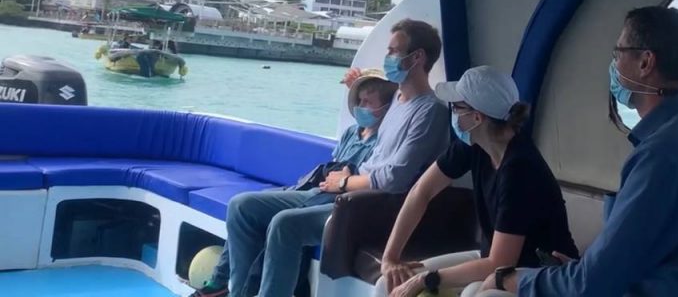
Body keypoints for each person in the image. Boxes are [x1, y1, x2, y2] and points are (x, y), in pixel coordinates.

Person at [483, 7, 678, 297]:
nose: (614, 64)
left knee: (486, 292)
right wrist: (577, 271)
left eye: (618, 53)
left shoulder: (666, 154)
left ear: (645, 62)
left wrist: (515, 280)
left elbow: (592, 285)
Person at [224, 19, 451, 297]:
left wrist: (345, 183)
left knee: (286, 225)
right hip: (344, 194)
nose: (388, 58)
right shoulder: (397, 100)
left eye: (393, 52)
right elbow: (371, 109)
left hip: (374, 206)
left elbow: (394, 177)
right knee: (242, 206)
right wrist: (355, 86)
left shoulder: (431, 112)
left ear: (417, 57)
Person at [190, 70, 397, 297]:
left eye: (368, 102)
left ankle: (232, 287)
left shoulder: (386, 140)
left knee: (280, 222)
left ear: (386, 109)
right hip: (316, 189)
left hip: (337, 200)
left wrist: (345, 181)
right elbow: (334, 169)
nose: (360, 106)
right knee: (241, 206)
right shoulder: (351, 132)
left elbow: (370, 180)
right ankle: (235, 291)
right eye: (359, 100)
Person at [379, 66, 578, 297]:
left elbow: (499, 264)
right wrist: (390, 258)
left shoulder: (520, 170)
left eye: (456, 107)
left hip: (540, 273)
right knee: (389, 282)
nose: (452, 113)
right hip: (492, 261)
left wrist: (427, 278)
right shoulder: (474, 145)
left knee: (476, 294)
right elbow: (421, 192)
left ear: (476, 117)